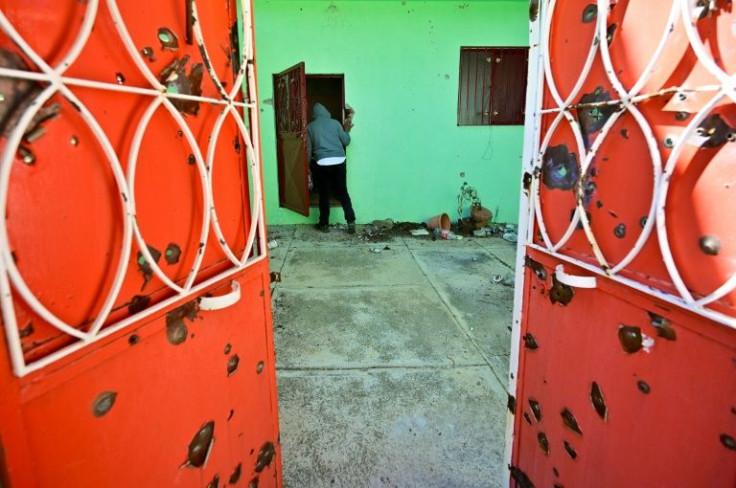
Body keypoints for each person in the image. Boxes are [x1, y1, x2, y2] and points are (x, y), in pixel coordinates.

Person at [307, 102, 356, 234]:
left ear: (314, 115)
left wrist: (307, 166)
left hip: (322, 162)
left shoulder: (310, 127)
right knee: (343, 192)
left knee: (324, 194)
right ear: (326, 112)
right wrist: (347, 130)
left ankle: (324, 224)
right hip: (339, 160)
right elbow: (346, 141)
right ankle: (351, 221)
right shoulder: (335, 123)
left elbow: (308, 149)